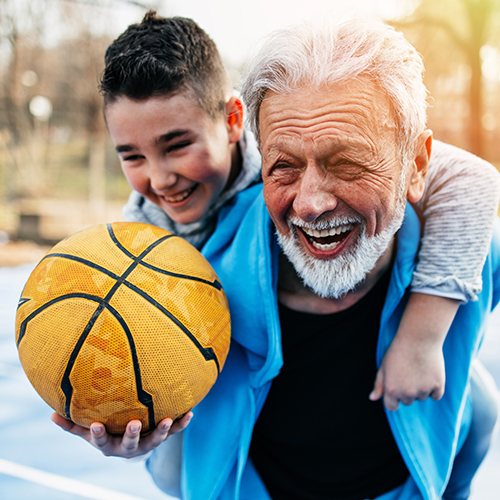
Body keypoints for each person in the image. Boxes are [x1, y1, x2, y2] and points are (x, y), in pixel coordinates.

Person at [51, 13, 500, 499]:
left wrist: (423, 334)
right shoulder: (167, 266)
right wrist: (125, 413)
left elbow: (470, 179)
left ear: (233, 125)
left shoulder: (460, 244)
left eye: (345, 162)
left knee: (479, 408)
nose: (161, 179)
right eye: (282, 166)